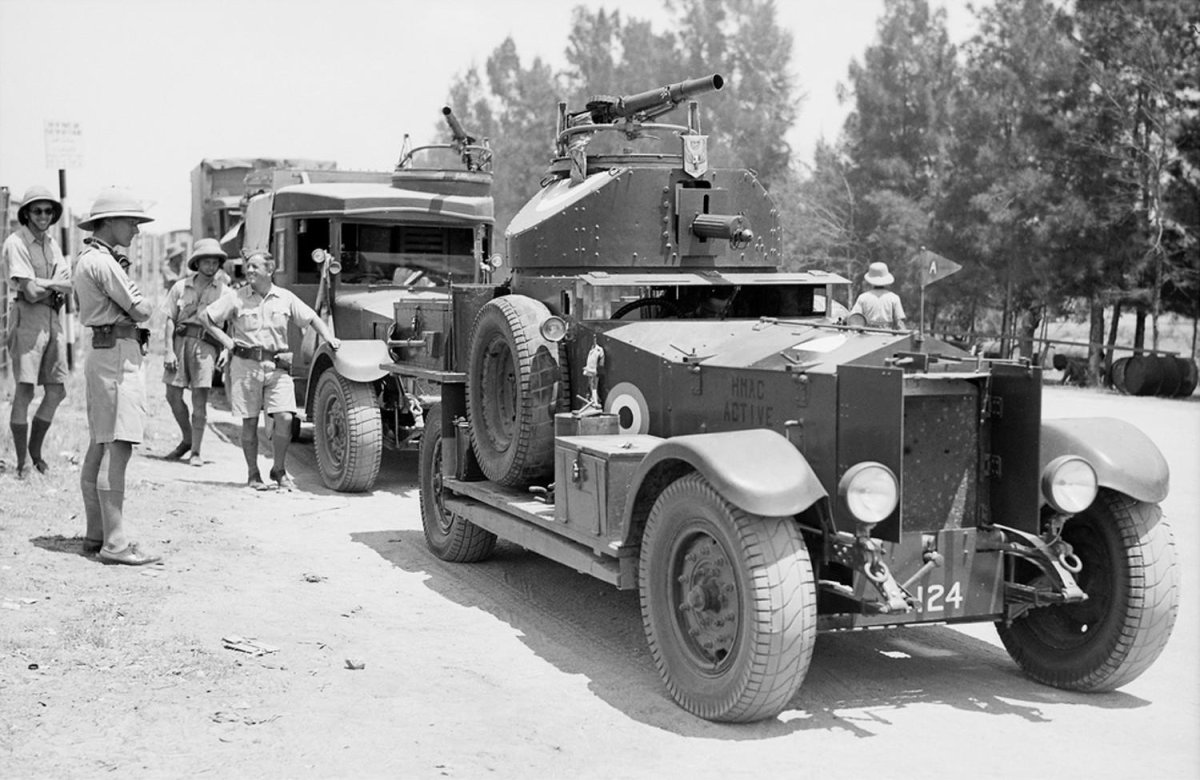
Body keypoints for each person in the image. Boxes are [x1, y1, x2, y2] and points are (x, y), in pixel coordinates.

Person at [72, 188, 160, 565]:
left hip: (106, 351)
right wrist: (146, 304)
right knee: (118, 444)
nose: (136, 230)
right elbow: (140, 310)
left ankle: (98, 533)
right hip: (116, 355)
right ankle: (115, 543)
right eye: (131, 221)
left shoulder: (93, 258)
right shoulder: (103, 262)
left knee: (102, 443)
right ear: (108, 223)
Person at [202, 251, 340, 490]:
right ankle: (253, 474)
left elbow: (312, 318)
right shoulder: (236, 297)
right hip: (245, 367)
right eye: (248, 266)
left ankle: (278, 469)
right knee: (250, 422)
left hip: (277, 367)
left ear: (270, 269)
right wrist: (227, 342)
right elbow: (206, 317)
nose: (250, 270)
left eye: (255, 267)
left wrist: (330, 338)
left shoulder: (284, 298)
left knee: (285, 417)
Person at [3, 186, 73, 478]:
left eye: (47, 211)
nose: (43, 216)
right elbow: (29, 293)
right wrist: (51, 284)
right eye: (37, 211)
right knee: (25, 389)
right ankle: (23, 463)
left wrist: (46, 284)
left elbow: (68, 286)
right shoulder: (16, 243)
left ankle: (36, 451)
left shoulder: (51, 244)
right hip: (28, 318)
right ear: (27, 214)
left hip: (52, 318)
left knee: (57, 389)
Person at [161, 238, 230, 465]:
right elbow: (170, 320)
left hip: (206, 346)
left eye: (214, 262)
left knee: (200, 400)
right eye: (206, 262)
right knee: (172, 394)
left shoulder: (225, 292)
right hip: (181, 343)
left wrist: (226, 351)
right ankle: (187, 438)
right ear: (197, 263)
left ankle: (196, 451)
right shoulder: (181, 287)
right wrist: (168, 350)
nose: (211, 266)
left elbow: (232, 326)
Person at [849, 262, 907, 329]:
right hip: (888, 336)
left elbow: (855, 318)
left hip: (867, 335)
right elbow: (899, 322)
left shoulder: (863, 297)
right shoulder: (894, 298)